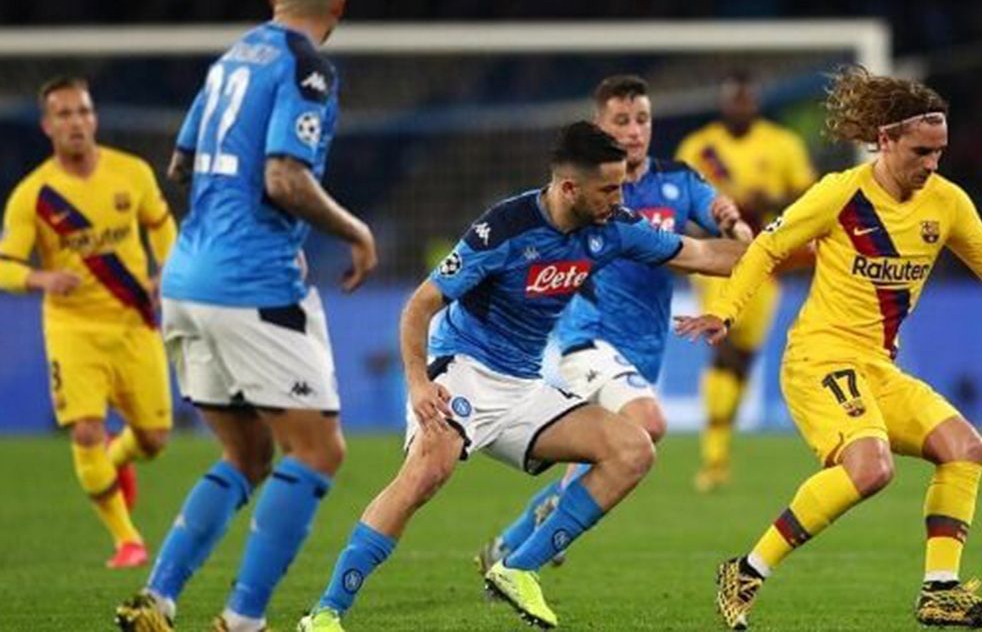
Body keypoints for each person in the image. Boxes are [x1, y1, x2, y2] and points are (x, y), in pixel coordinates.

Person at [675, 65, 982, 630]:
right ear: (885, 141)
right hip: (819, 357)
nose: (931, 163)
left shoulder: (947, 202)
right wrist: (725, 310)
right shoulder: (840, 193)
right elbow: (765, 248)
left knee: (965, 446)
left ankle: (939, 592)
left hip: (876, 365)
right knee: (871, 467)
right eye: (921, 151)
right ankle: (744, 572)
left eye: (940, 151)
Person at [298, 121, 746, 631]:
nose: (620, 199)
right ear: (569, 187)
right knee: (426, 474)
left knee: (634, 449)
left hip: (524, 385)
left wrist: (778, 240)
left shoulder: (614, 227)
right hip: (463, 369)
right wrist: (420, 383)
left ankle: (517, 567)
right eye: (609, 189)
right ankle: (326, 613)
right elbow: (419, 306)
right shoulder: (504, 229)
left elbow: (706, 255)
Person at [115, 0, 377, 632]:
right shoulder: (307, 66)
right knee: (318, 450)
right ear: (339, 4)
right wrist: (356, 231)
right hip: (248, 281)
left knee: (248, 453)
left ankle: (157, 597)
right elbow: (284, 177)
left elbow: (181, 163)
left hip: (187, 275)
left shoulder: (231, 60)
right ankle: (242, 620)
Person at [475, 75, 752, 572]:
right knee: (646, 423)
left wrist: (734, 222)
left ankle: (514, 541)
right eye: (620, 121)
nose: (633, 130)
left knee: (609, 450)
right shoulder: (592, 192)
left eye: (641, 119)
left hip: (643, 349)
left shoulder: (680, 181)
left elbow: (724, 228)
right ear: (599, 127)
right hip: (588, 336)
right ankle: (528, 559)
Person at [0, 76, 176, 569]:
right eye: (64, 114)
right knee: (85, 431)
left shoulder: (132, 173)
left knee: (155, 441)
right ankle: (128, 540)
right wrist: (40, 278)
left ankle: (117, 461)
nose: (76, 122)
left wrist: (167, 272)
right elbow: (4, 264)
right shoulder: (33, 195)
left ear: (95, 118)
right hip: (72, 328)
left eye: (83, 111)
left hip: (135, 321)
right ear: (47, 126)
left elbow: (161, 227)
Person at [675, 71, 818, 492]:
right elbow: (681, 204)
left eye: (746, 100)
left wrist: (766, 200)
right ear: (723, 104)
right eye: (733, 100)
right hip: (720, 258)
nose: (740, 107)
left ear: (755, 103)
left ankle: (719, 450)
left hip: (770, 259)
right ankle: (714, 458)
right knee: (726, 346)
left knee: (744, 356)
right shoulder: (699, 147)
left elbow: (810, 200)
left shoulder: (782, 145)